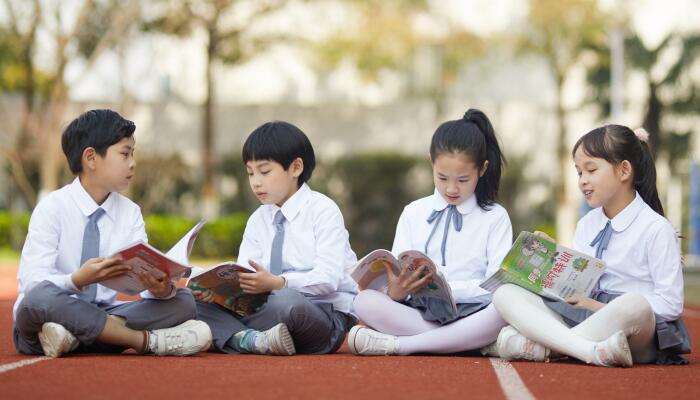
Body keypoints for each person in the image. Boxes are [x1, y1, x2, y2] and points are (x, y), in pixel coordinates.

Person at [13, 109, 212, 358]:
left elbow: (137, 284)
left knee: (183, 301)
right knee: (37, 297)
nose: (132, 162)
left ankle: (72, 337)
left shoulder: (130, 212)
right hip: (50, 313)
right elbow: (33, 282)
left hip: (104, 312)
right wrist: (77, 280)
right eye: (125, 153)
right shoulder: (51, 208)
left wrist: (159, 289)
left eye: (133, 153)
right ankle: (143, 341)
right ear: (91, 158)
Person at [487, 125, 690, 367]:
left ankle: (549, 347)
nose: (583, 181)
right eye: (579, 173)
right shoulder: (587, 224)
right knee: (505, 294)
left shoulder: (656, 229)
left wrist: (599, 306)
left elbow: (671, 305)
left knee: (636, 304)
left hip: (634, 331)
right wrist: (552, 260)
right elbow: (579, 286)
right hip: (586, 320)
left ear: (624, 170)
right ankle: (590, 350)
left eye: (591, 170)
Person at [348, 109, 512, 355]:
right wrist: (396, 291)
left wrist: (452, 290)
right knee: (363, 301)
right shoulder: (414, 212)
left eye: (463, 179)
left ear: (482, 168)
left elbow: (496, 286)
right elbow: (396, 270)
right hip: (420, 311)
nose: (451, 188)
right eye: (442, 177)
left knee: (506, 304)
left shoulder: (495, 216)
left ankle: (402, 345)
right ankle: (467, 342)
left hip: (474, 311)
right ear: (431, 163)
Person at [192, 121, 358, 355]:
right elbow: (243, 277)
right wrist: (217, 293)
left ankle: (232, 336)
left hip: (321, 316)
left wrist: (279, 283)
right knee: (192, 303)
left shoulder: (323, 210)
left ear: (296, 168)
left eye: (265, 171)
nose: (255, 182)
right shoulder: (257, 220)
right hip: (266, 309)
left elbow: (328, 279)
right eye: (250, 173)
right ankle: (251, 340)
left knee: (286, 301)